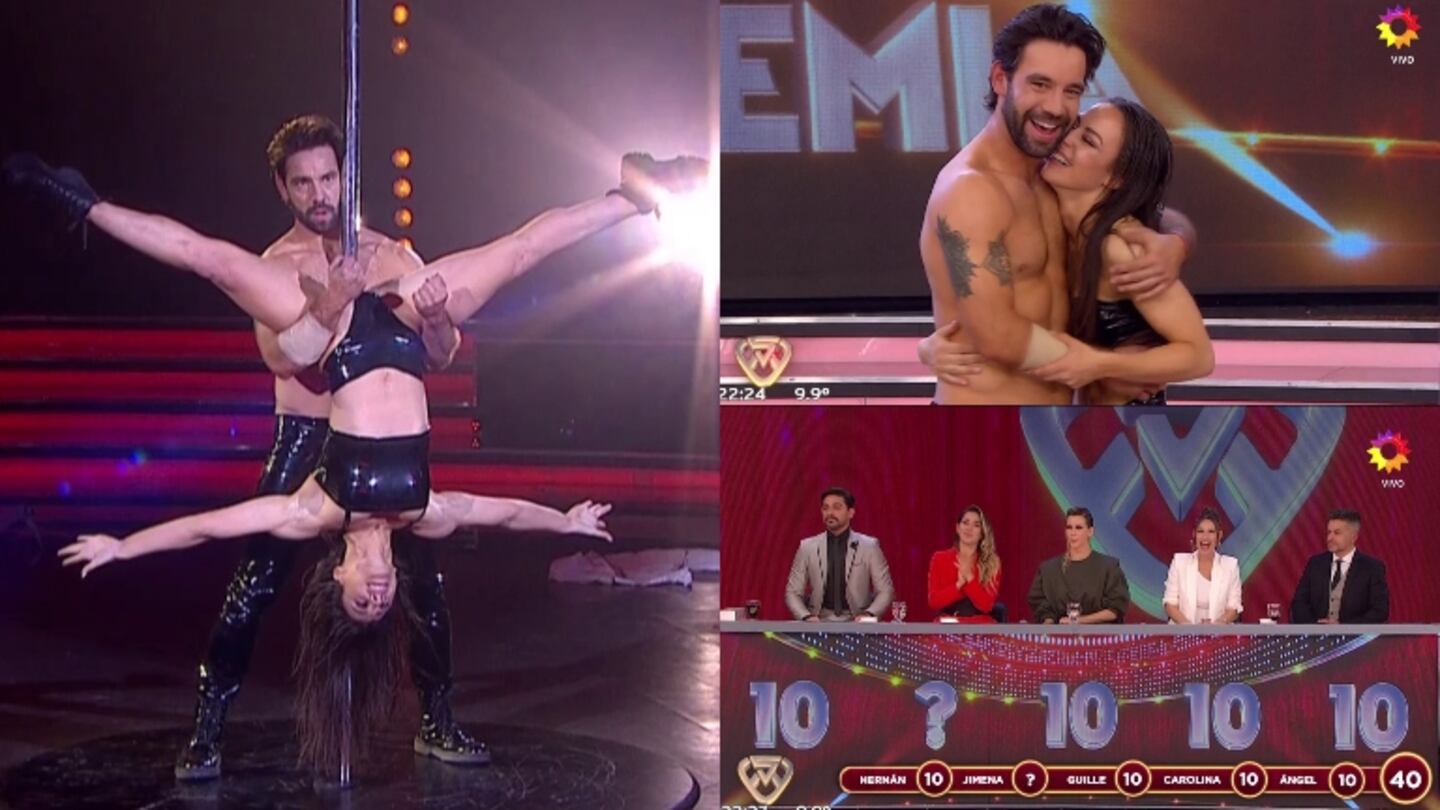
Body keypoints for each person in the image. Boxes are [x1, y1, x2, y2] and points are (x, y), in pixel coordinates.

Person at [14, 116, 706, 774]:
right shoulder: (279, 266)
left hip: (382, 412)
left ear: (345, 178)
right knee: (254, 583)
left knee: (518, 254)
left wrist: (435, 319)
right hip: (310, 433)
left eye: (328, 179)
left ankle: (632, 195)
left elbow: (438, 356)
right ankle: (207, 730)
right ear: (283, 189)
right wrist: (328, 303)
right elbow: (289, 360)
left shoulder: (396, 256)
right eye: (304, 183)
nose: (319, 195)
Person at [916, 4, 1196, 404]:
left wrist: (1177, 242)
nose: (1055, 107)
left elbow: (1135, 208)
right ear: (1000, 79)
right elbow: (997, 334)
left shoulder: (1054, 174)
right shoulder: (971, 191)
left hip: (1059, 425)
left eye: (1072, 91)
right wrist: (1113, 367)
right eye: (1040, 84)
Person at [784, 487, 894, 621]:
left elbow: (885, 590)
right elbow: (793, 592)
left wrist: (868, 615)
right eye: (825, 508)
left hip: (858, 621)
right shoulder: (807, 547)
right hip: (817, 621)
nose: (830, 513)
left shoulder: (869, 546)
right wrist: (806, 616)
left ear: (850, 513)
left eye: (837, 507)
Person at [1027, 506, 1129, 623]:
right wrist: (1049, 622)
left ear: (1090, 531)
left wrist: (1078, 621)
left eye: (1078, 528)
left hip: (1099, 634)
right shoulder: (1048, 570)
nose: (1073, 533)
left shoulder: (1109, 567)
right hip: (1059, 634)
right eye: (1069, 527)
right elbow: (1041, 606)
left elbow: (1115, 609)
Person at [1290, 509, 1390, 624]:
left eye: (1337, 533)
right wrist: (1315, 626)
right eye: (1329, 532)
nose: (1330, 538)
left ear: (1353, 537)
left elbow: (1380, 611)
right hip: (1316, 634)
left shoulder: (1372, 567)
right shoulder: (1315, 564)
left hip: (1354, 634)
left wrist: (1344, 627)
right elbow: (1299, 604)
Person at [1162, 508, 1242, 624]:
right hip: (1183, 632)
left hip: (1220, 632)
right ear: (1194, 535)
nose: (1205, 537)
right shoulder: (1179, 562)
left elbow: (1234, 607)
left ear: (1219, 536)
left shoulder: (1230, 566)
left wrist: (1217, 626)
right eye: (1200, 531)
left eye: (1211, 532)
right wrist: (1188, 628)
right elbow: (1170, 603)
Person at [927, 506, 1002, 622]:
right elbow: (934, 601)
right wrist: (958, 585)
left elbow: (987, 605)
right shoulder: (939, 558)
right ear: (957, 528)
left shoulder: (991, 562)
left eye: (976, 525)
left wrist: (970, 579)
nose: (969, 528)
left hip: (980, 625)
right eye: (965, 523)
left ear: (982, 533)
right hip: (948, 624)